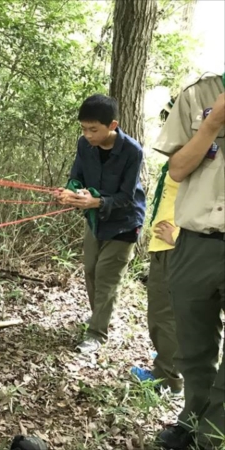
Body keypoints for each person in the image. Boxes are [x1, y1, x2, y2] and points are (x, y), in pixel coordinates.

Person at [152, 73, 224, 450]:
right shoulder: (199, 94)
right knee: (193, 346)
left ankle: (213, 433)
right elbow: (177, 169)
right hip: (196, 242)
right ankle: (192, 418)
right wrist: (212, 123)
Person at [54, 94, 146, 353]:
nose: (88, 135)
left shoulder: (131, 151)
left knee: (107, 278)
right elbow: (76, 177)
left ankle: (97, 333)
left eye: (93, 129)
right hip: (95, 220)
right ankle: (99, 316)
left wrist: (96, 202)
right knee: (91, 270)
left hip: (124, 222)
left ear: (112, 125)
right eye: (84, 129)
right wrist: (71, 193)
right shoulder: (84, 145)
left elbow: (127, 197)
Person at [131, 163, 183, 396]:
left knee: (166, 316)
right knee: (165, 314)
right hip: (165, 247)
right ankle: (169, 359)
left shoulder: (212, 153)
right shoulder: (189, 152)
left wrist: (181, 239)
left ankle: (167, 379)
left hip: (178, 249)